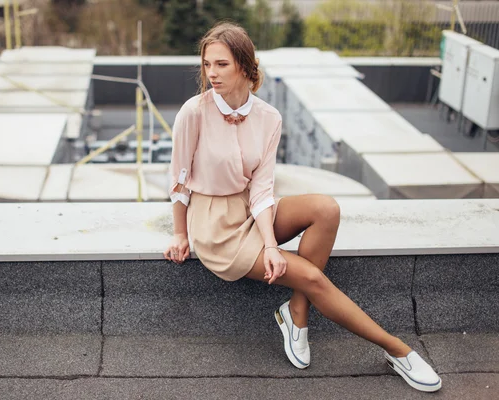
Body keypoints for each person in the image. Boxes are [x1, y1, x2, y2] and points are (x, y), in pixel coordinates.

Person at [163, 21, 441, 393]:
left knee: (326, 209)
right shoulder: (193, 112)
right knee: (311, 277)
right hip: (216, 227)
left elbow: (262, 190)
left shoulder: (268, 118)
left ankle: (296, 311)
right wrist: (180, 234)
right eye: (207, 64)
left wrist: (271, 246)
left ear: (245, 65)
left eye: (222, 64)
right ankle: (398, 350)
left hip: (251, 209)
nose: (211, 73)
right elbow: (180, 179)